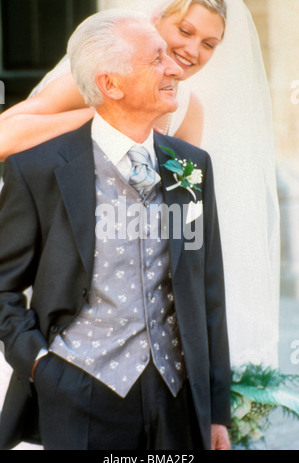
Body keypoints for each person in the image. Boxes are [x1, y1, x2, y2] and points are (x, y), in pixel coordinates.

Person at [0, 0, 280, 371]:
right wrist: (110, 114)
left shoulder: (186, 110)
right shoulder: (103, 76)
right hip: (51, 246)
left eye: (210, 44)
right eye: (185, 31)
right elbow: (5, 138)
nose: (193, 51)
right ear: (154, 22)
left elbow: (183, 214)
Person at [0, 9, 231, 450]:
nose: (175, 67)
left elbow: (207, 287)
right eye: (156, 59)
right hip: (80, 390)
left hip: (177, 398)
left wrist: (215, 410)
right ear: (110, 85)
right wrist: (40, 366)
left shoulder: (190, 166)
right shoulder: (39, 171)